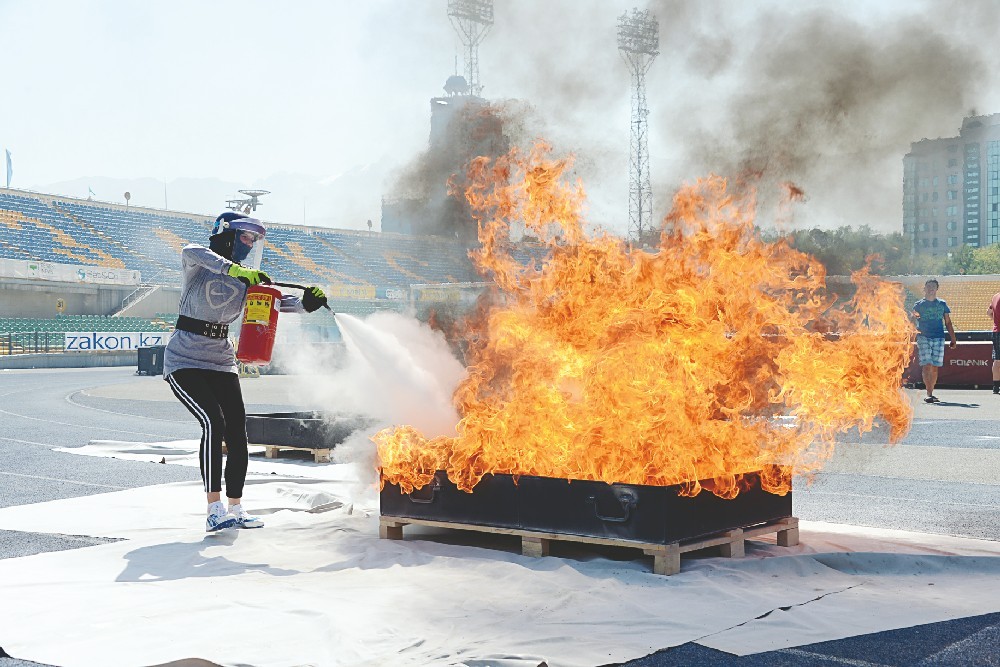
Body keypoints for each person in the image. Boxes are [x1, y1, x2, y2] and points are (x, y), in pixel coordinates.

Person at [163, 212, 328, 532]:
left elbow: (277, 302)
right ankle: (214, 509)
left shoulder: (246, 280)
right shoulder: (199, 263)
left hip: (222, 360)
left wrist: (307, 302)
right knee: (213, 421)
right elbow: (188, 250)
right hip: (184, 360)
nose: (249, 245)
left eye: (254, 240)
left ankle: (235, 508)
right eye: (245, 238)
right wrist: (236, 269)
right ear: (226, 235)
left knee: (237, 432)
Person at [911, 278, 957, 404]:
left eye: (933, 286)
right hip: (924, 336)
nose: (931, 289)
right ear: (924, 289)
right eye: (929, 286)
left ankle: (932, 391)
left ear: (937, 289)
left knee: (935, 366)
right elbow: (913, 321)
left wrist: (953, 338)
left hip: (939, 337)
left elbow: (947, 322)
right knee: (927, 364)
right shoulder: (918, 305)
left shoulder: (942, 304)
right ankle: (929, 393)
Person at [987, 290, 1000, 394]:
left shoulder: (995, 296)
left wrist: (996, 321)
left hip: (996, 331)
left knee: (997, 359)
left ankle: (996, 387)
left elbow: (989, 312)